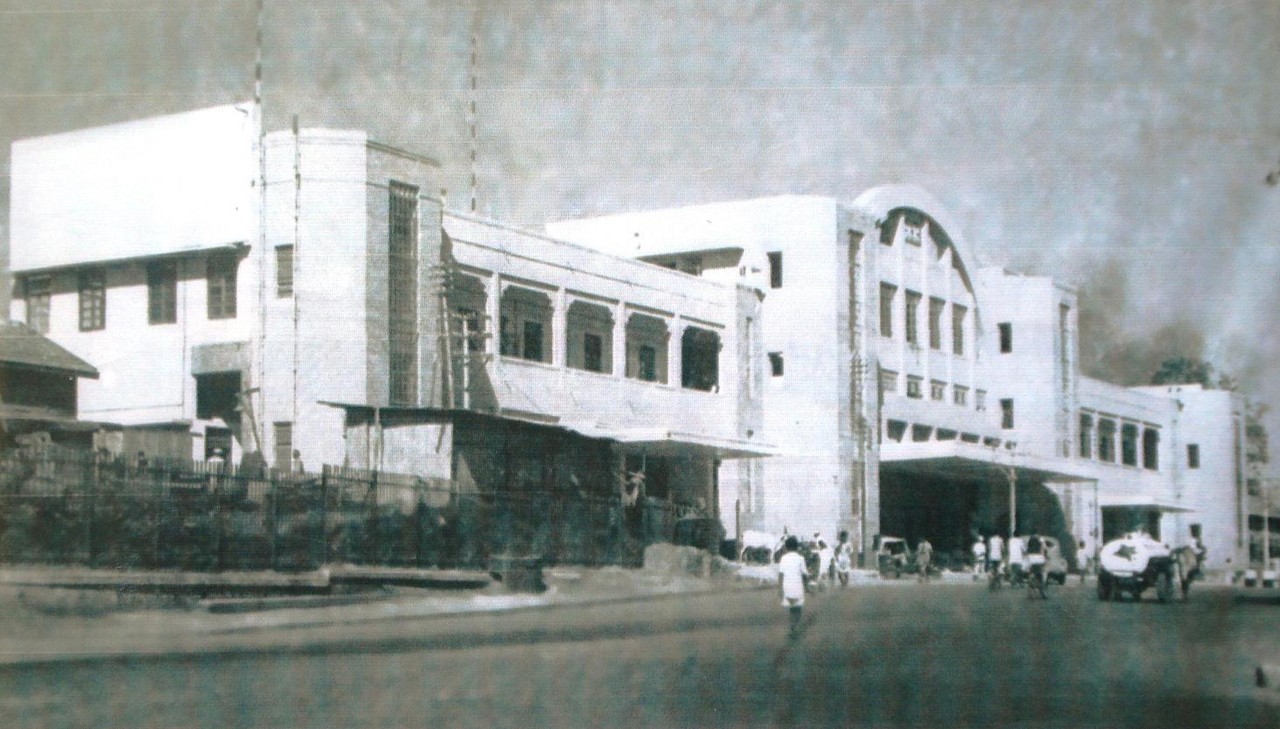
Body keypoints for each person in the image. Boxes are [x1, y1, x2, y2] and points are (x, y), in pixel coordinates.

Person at [777, 535, 809, 639]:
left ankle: (792, 627)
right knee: (798, 609)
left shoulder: (783, 558)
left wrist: (780, 588)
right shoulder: (800, 558)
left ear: (786, 547)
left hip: (787, 586)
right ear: (797, 547)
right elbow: (805, 574)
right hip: (797, 586)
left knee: (791, 609)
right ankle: (794, 626)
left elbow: (781, 574)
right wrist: (807, 586)